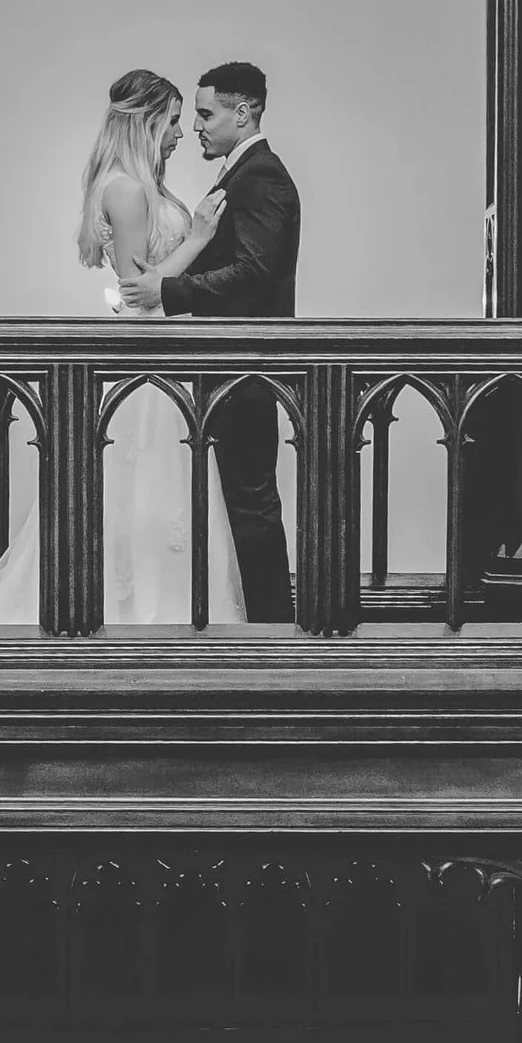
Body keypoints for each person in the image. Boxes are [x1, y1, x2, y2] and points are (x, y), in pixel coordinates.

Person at [0, 68, 243, 626]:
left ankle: (164, 606)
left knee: (160, 493)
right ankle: (137, 613)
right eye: (174, 121)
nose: (180, 135)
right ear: (148, 120)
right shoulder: (127, 189)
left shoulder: (142, 184)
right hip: (146, 354)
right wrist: (201, 238)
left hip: (166, 349)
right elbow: (141, 290)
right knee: (143, 490)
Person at [122, 60, 299, 625]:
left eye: (206, 113)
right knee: (241, 502)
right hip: (226, 365)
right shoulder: (240, 173)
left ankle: (272, 630)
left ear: (242, 113)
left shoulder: (261, 176)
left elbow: (252, 271)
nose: (196, 126)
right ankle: (257, 623)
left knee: (251, 502)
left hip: (247, 364)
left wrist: (169, 291)